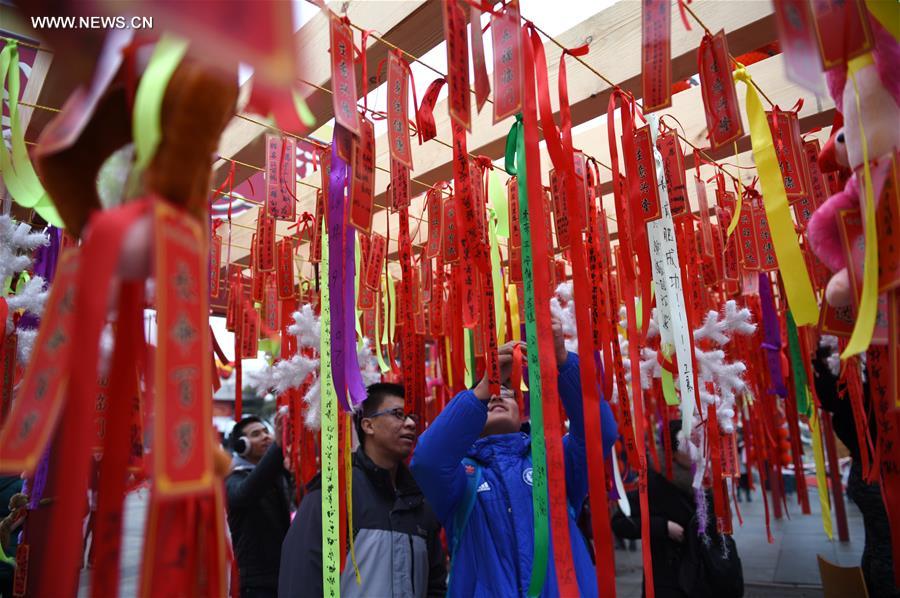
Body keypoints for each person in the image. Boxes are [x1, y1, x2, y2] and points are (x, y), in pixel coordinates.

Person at [409, 322, 618, 597]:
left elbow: (599, 433)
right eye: (488, 396)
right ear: (471, 415)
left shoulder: (554, 461)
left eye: (506, 393)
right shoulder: (460, 476)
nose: (496, 396)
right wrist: (482, 389)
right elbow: (427, 460)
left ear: (522, 411)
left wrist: (563, 361)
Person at [278, 383, 447, 598]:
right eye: (398, 414)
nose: (411, 424)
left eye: (412, 416)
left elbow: (435, 585)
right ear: (368, 425)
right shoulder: (333, 493)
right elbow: (301, 581)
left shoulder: (419, 502)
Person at [611, 420, 743, 598]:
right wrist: (663, 527)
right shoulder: (655, 483)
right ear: (672, 453)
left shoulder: (708, 479)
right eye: (689, 447)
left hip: (706, 575)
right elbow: (620, 522)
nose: (696, 453)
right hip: (669, 581)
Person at [814, 348, 899, 598]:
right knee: (887, 548)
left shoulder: (845, 405)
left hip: (864, 475)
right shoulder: (861, 402)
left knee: (877, 544)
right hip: (878, 479)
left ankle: (870, 589)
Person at [226, 414, 292, 598]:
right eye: (256, 434)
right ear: (242, 445)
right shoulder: (232, 479)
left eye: (266, 431)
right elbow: (247, 492)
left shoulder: (277, 472)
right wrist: (277, 449)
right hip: (255, 583)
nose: (265, 436)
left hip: (283, 573)